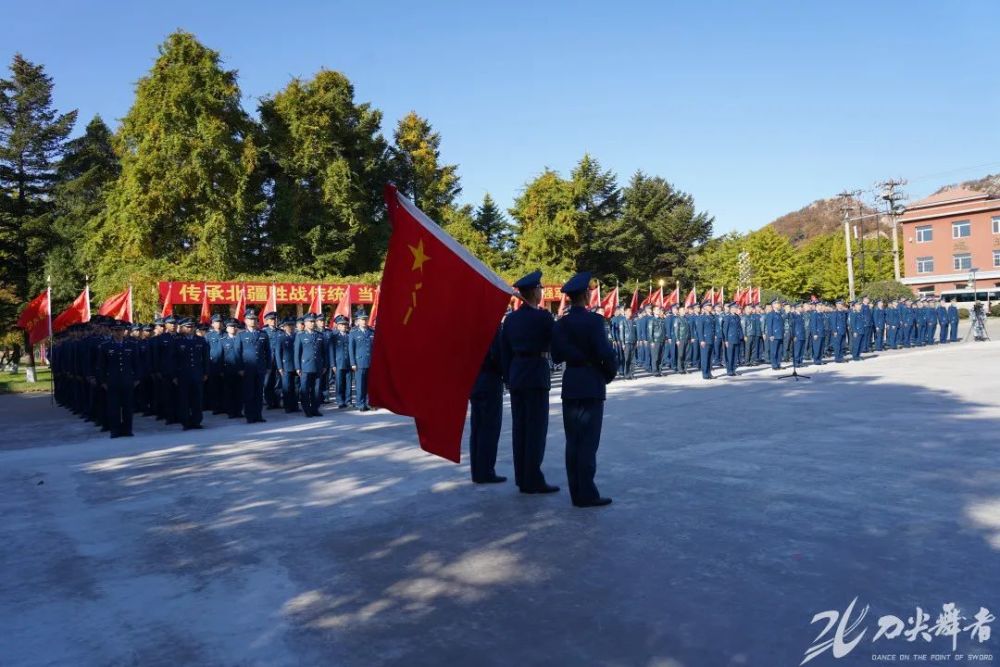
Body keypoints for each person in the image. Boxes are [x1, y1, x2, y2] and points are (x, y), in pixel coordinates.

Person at [551, 272, 617, 508]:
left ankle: (576, 493)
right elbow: (604, 353)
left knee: (573, 441)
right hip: (591, 382)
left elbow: (557, 355)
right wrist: (608, 374)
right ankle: (587, 494)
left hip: (571, 382)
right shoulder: (594, 321)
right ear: (585, 295)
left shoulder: (561, 324)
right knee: (589, 442)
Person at [501, 270, 559, 495]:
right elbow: (555, 343)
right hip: (536, 374)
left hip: (517, 375)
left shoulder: (511, 319)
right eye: (540, 289)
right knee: (535, 430)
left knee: (520, 429)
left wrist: (508, 377)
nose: (541, 292)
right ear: (534, 292)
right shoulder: (543, 317)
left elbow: (505, 351)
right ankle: (533, 478)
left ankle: (522, 478)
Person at [469, 323, 506, 484]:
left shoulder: (469, 324)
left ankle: (477, 470)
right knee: (489, 427)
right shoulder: (491, 324)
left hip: (473, 379)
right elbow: (498, 354)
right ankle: (486, 471)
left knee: (476, 427)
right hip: (490, 379)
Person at [97, 320, 140, 438]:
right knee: (113, 407)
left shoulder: (131, 345)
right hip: (112, 382)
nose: (118, 332)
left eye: (120, 330)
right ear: (112, 331)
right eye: (116, 330)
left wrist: (137, 379)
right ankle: (114, 430)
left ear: (124, 331)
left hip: (127, 381)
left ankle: (127, 429)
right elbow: (101, 366)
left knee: (127, 407)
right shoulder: (105, 346)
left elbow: (136, 363)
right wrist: (103, 382)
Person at [173, 318, 209, 430]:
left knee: (197, 399)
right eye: (187, 327)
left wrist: (206, 372)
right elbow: (173, 360)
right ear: (182, 328)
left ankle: (197, 421)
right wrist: (174, 375)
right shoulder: (177, 341)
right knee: (184, 399)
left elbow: (206, 358)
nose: (190, 329)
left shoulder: (201, 340)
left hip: (197, 374)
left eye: (192, 327)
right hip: (183, 375)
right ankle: (185, 422)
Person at [236, 308, 270, 424]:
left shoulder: (263, 334)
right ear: (245, 321)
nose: (253, 321)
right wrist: (240, 368)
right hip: (247, 369)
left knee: (259, 393)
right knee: (249, 393)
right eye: (250, 319)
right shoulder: (241, 335)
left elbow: (268, 352)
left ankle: (258, 415)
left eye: (255, 319)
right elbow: (237, 353)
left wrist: (268, 366)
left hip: (260, 368)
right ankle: (250, 416)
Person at [294, 313, 326, 417]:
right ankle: (307, 410)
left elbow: (324, 352)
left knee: (316, 390)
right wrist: (298, 367)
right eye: (310, 321)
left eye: (313, 321)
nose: (312, 323)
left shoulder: (320, 335)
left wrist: (325, 365)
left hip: (318, 366)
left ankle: (315, 409)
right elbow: (297, 353)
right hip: (306, 367)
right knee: (305, 389)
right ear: (305, 323)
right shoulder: (301, 336)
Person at [349, 310, 375, 411]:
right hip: (359, 362)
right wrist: (352, 363)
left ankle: (369, 403)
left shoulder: (371, 331)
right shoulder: (354, 333)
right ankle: (360, 403)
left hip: (370, 361)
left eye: (365, 319)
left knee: (369, 384)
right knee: (360, 384)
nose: (364, 321)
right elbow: (351, 349)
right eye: (362, 319)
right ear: (358, 321)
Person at [220, 319, 243, 418]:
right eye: (230, 326)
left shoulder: (241, 339)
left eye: (234, 326)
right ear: (227, 328)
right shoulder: (223, 341)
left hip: (240, 370)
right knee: (229, 392)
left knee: (239, 392)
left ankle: (239, 411)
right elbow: (219, 357)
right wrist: (220, 370)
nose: (233, 328)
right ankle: (231, 412)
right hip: (228, 370)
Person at [276, 318, 299, 413]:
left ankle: (295, 406)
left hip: (296, 366)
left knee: (296, 387)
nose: (291, 327)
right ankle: (287, 406)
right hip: (286, 366)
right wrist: (280, 367)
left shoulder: (297, 336)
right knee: (287, 387)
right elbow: (278, 353)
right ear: (284, 327)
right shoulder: (281, 338)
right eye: (288, 326)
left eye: (292, 325)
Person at [331, 315, 353, 408]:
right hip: (338, 363)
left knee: (348, 382)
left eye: (345, 325)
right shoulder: (334, 336)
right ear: (338, 326)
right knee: (339, 382)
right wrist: (333, 364)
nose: (344, 326)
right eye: (342, 325)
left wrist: (353, 362)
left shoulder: (349, 335)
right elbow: (331, 351)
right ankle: (340, 400)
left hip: (348, 362)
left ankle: (348, 400)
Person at [262, 311, 282, 409]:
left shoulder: (280, 332)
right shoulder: (263, 332)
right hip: (267, 361)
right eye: (271, 319)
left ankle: (277, 402)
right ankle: (269, 402)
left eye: (274, 319)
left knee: (278, 382)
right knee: (267, 382)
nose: (273, 321)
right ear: (267, 321)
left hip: (278, 361)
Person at [722, 302, 743, 376]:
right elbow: (725, 330)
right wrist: (726, 340)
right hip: (730, 339)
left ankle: (733, 369)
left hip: (737, 338)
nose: (735, 309)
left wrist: (741, 336)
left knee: (735, 355)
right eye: (734, 308)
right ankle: (729, 370)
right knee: (730, 355)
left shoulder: (737, 317)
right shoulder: (727, 317)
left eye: (736, 308)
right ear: (730, 309)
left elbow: (739, 328)